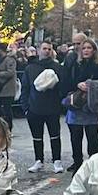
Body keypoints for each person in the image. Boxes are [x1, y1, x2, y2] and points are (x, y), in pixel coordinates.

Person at [62, 37, 98, 171]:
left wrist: (94, 87)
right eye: (84, 48)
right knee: (75, 137)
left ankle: (96, 164)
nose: (86, 50)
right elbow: (66, 82)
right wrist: (77, 84)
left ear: (94, 50)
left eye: (89, 48)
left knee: (93, 137)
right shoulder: (75, 64)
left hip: (91, 106)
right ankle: (77, 163)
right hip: (76, 104)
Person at [23, 43, 69, 173]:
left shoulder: (57, 67)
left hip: (52, 106)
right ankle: (39, 160)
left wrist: (59, 102)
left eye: (49, 49)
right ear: (38, 51)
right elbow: (25, 87)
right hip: (34, 107)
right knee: (37, 136)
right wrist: (26, 107)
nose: (47, 51)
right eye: (44, 49)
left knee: (55, 135)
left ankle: (57, 161)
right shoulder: (31, 67)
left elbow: (63, 86)